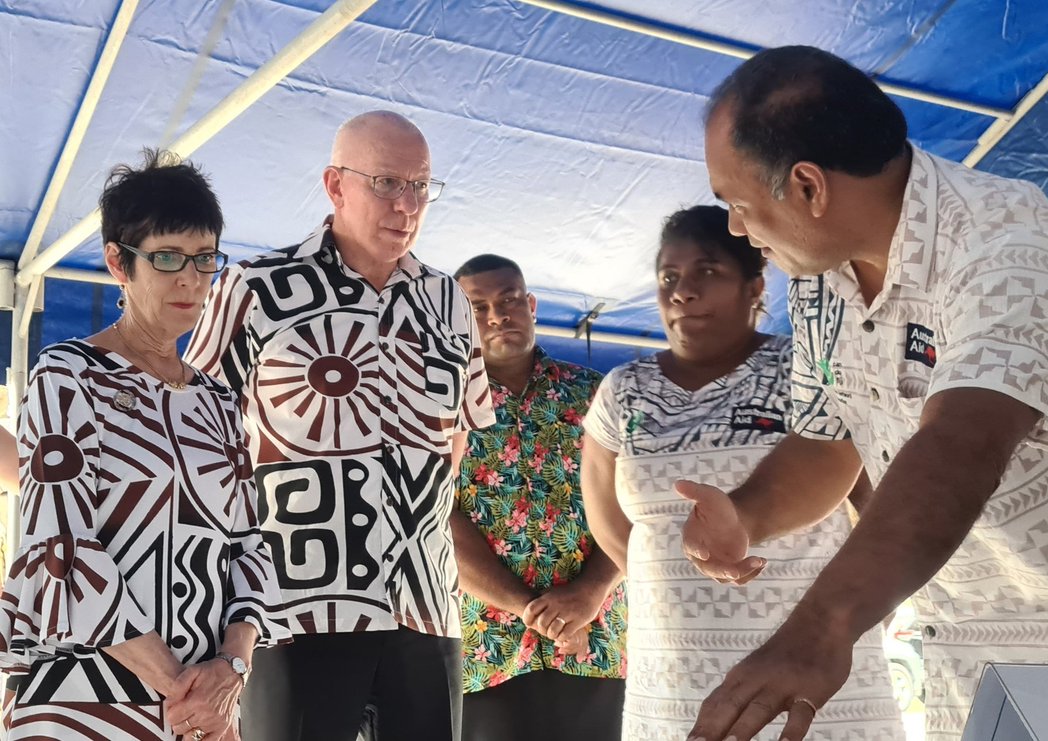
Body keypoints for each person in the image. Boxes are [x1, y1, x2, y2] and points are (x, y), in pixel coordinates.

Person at [682, 45, 1048, 741]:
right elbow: (831, 439)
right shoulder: (817, 283)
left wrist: (821, 627)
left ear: (808, 187)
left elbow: (961, 445)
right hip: (977, 654)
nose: (739, 230)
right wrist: (746, 514)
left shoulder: (1010, 244)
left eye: (738, 205)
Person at [185, 111, 495, 741]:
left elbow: (457, 440)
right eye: (386, 183)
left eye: (420, 186)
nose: (406, 205)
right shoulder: (256, 288)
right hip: (294, 608)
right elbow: (200, 435)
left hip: (426, 607)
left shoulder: (450, 302)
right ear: (335, 186)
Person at [581, 205, 903, 740]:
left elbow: (875, 503)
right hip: (673, 670)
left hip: (805, 659)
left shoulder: (809, 368)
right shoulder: (622, 390)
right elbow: (612, 526)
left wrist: (849, 615)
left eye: (708, 272)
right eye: (669, 277)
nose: (683, 291)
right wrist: (684, 586)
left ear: (756, 288)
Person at [0, 150, 288, 740]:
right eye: (167, 258)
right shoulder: (70, 375)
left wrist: (232, 668)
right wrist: (185, 686)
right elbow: (61, 550)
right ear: (118, 262)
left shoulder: (219, 402)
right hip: (83, 702)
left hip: (200, 714)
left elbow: (251, 548)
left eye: (204, 259)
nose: (190, 279)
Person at [450, 254, 627, 741]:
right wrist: (530, 608)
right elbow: (439, 522)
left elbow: (634, 507)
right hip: (488, 647)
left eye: (508, 300)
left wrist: (590, 594)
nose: (496, 315)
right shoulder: (442, 409)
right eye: (477, 306)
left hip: (593, 639)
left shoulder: (598, 395)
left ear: (530, 304)